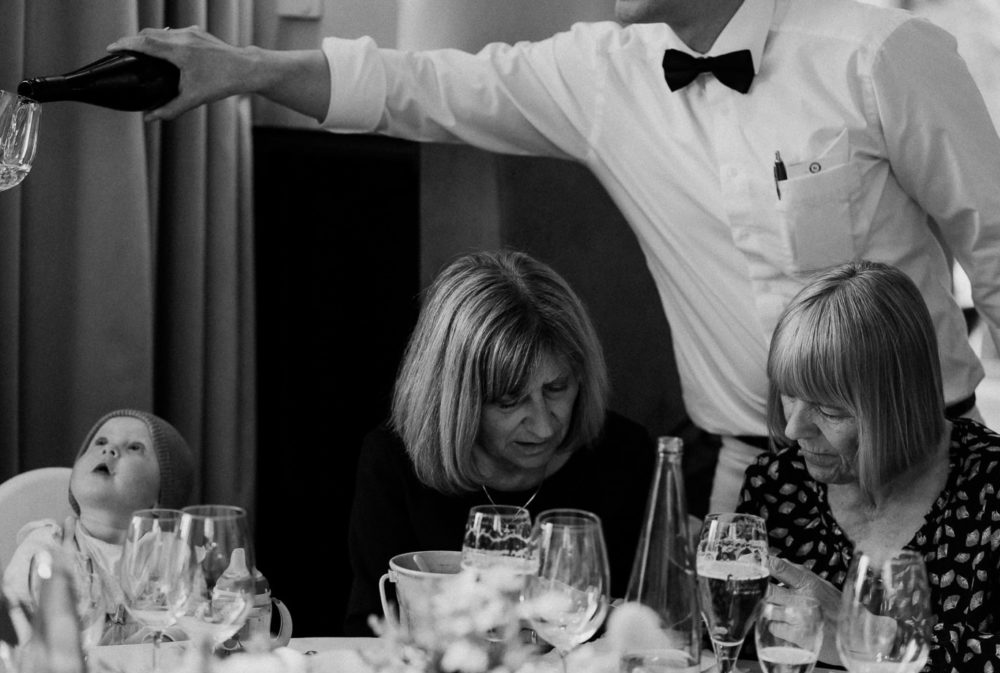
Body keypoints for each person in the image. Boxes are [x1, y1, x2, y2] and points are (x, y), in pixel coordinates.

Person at [106, 0, 1000, 515]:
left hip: (924, 459)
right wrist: (249, 67)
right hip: (742, 475)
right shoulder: (600, 74)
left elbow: (996, 250)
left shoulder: (879, 51)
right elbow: (422, 89)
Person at [344, 250, 655, 635]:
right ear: (456, 400)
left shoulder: (624, 455)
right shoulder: (393, 464)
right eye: (509, 400)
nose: (543, 427)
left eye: (557, 388)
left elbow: (649, 630)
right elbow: (370, 631)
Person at [737, 261, 999, 673]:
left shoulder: (990, 489)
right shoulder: (777, 485)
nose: (793, 428)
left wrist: (871, 639)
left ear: (900, 405)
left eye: (829, 410)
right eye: (789, 396)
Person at [2, 408, 196, 648]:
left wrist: (160, 642)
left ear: (160, 496)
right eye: (100, 442)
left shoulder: (170, 555)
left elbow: (192, 625)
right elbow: (11, 621)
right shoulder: (46, 547)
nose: (109, 450)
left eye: (134, 447)